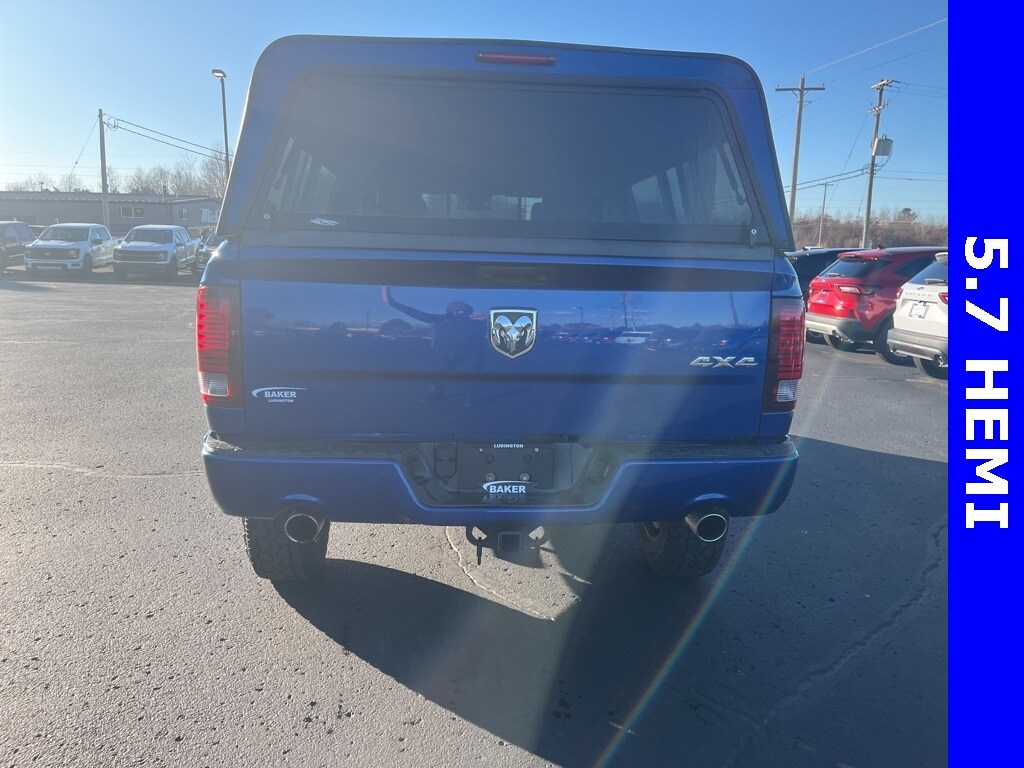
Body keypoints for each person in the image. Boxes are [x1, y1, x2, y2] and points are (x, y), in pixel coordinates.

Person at [381, 286, 483, 403]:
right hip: (444, 353)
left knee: (469, 373)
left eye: (462, 311)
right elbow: (413, 312)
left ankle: (469, 397)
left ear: (468, 312)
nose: (459, 313)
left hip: (468, 354)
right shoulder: (439, 319)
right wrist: (391, 301)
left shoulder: (476, 322)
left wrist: (483, 318)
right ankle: (437, 393)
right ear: (450, 311)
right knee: (438, 372)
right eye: (455, 310)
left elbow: (491, 327)